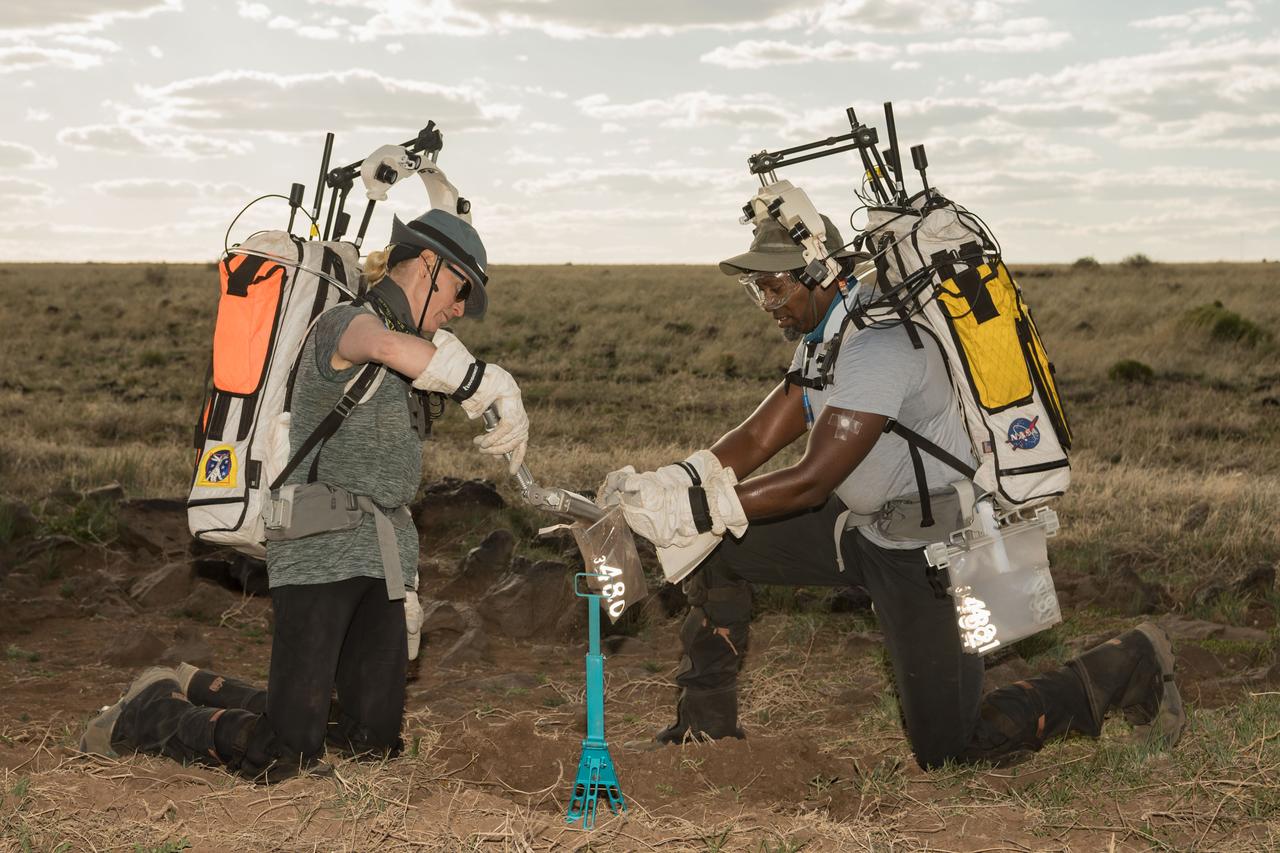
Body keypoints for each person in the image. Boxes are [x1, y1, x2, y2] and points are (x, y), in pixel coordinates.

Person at [602, 213, 1185, 768]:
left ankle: (1127, 665)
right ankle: (705, 727)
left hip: (927, 556)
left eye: (775, 288)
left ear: (821, 273)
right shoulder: (826, 338)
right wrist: (674, 479)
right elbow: (758, 436)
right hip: (859, 527)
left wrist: (695, 509)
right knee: (715, 551)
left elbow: (811, 481)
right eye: (758, 291)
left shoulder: (880, 346)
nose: (769, 306)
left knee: (950, 750)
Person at [80, 209, 529, 780]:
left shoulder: (417, 344)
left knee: (372, 746)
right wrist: (483, 382)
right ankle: (148, 714)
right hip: (318, 547)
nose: (460, 308)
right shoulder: (347, 323)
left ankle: (201, 684)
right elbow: (382, 346)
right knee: (286, 755)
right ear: (429, 265)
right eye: (461, 289)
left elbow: (416, 354)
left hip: (382, 555)